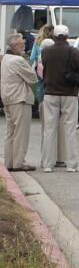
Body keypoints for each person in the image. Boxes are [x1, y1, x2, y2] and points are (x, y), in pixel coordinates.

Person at [39, 25, 79, 173]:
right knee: (69, 130)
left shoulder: (46, 51)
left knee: (49, 129)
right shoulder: (74, 52)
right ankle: (71, 164)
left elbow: (44, 69)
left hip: (50, 93)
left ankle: (47, 163)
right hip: (69, 94)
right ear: (67, 36)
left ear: (54, 36)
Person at [2, 33, 38, 171]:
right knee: (21, 133)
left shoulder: (6, 58)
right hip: (19, 98)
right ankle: (19, 163)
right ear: (15, 45)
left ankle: (9, 162)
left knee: (10, 132)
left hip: (8, 97)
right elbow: (33, 77)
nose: (24, 45)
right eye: (22, 44)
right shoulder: (18, 60)